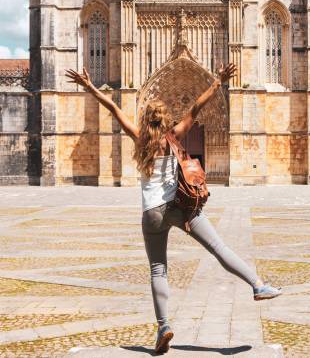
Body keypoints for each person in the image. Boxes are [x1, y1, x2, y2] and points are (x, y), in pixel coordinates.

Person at [65, 64, 281, 355]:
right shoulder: (174, 136)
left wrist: (90, 87)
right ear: (166, 119)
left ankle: (163, 326)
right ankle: (257, 285)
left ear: (146, 118)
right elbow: (195, 108)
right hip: (181, 206)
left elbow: (113, 108)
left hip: (152, 212)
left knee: (158, 269)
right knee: (218, 247)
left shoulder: (139, 137)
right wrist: (218, 81)